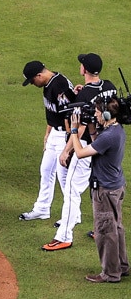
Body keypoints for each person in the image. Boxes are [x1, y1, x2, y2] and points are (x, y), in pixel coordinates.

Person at [50, 54, 118, 248]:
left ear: (84, 69)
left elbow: (80, 127)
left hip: (89, 148)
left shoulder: (85, 95)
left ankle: (64, 237)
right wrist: (83, 92)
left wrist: (65, 151)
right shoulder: (110, 86)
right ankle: (102, 231)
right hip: (109, 145)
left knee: (71, 190)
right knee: (102, 191)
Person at [70, 95, 128, 282]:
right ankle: (121, 265)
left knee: (105, 231)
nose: (94, 114)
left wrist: (74, 131)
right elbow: (98, 141)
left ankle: (110, 273)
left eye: (97, 111)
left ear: (105, 113)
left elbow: (79, 153)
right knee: (116, 227)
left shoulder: (109, 136)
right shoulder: (116, 129)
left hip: (105, 190)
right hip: (115, 186)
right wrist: (93, 128)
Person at [19, 60, 77, 223]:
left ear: (40, 75)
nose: (32, 84)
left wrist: (68, 145)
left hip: (64, 136)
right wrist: (47, 134)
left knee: (64, 177)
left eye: (32, 80)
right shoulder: (48, 84)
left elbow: (70, 116)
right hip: (54, 134)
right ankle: (42, 209)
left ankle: (72, 215)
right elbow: (52, 114)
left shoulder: (59, 86)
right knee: (46, 170)